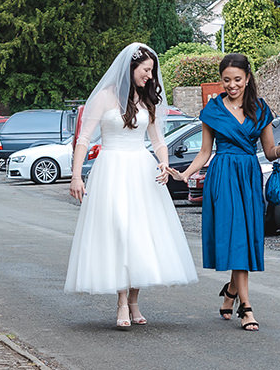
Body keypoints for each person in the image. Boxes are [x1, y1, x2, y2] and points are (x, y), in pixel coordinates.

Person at [169, 52, 280, 332]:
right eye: (226, 80)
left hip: (248, 176)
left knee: (244, 238)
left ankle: (231, 294)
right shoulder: (212, 111)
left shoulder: (260, 109)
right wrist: (185, 174)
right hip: (222, 176)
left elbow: (270, 152)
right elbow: (205, 152)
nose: (231, 85)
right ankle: (246, 308)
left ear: (247, 78)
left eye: (237, 79)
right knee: (235, 238)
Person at [66, 43, 197, 329]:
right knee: (119, 232)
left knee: (139, 234)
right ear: (131, 68)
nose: (150, 76)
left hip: (141, 170)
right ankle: (121, 300)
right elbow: (84, 139)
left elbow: (159, 141)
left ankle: (135, 299)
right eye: (146, 70)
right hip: (111, 169)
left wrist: (163, 163)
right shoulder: (103, 97)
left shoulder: (147, 101)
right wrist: (76, 175)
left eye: (152, 71)